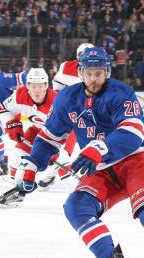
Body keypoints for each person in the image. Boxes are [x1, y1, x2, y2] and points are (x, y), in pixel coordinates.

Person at [14, 47, 144, 258]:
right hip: (101, 168)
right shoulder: (67, 98)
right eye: (89, 73)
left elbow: (134, 132)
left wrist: (99, 148)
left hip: (134, 160)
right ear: (81, 72)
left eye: (99, 73)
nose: (94, 79)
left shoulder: (121, 92)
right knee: (76, 207)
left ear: (107, 72)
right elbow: (50, 137)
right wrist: (31, 165)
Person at [0, 68, 73, 207]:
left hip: (58, 136)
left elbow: (68, 129)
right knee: (15, 157)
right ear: (27, 87)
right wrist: (11, 124)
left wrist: (53, 149)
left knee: (63, 159)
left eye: (40, 86)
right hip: (36, 131)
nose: (37, 90)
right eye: (33, 86)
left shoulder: (57, 102)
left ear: (46, 86)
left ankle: (76, 197)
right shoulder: (20, 95)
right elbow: (4, 108)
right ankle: (17, 193)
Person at [34, 42, 95, 190]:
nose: (85, 57)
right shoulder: (67, 67)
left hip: (90, 116)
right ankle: (53, 176)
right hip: (70, 115)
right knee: (64, 148)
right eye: (82, 54)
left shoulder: (98, 72)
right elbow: (57, 87)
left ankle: (51, 175)